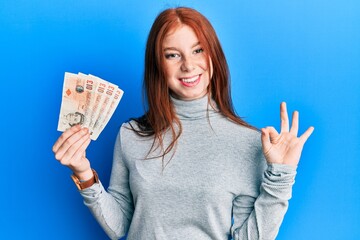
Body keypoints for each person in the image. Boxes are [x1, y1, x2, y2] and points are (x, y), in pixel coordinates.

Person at [52, 7, 314, 240]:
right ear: (159, 66)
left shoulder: (247, 142)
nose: (189, 65)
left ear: (213, 57)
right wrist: (84, 172)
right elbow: (118, 226)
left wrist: (282, 174)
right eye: (172, 55)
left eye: (198, 50)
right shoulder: (131, 135)